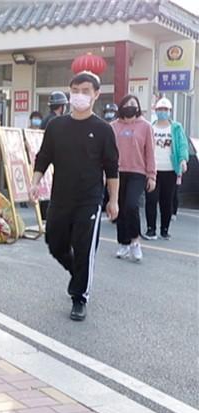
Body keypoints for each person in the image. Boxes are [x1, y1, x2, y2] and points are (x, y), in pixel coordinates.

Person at [30, 71, 119, 322]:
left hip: (89, 199)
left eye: (86, 91)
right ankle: (79, 272)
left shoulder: (103, 130)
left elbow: (112, 169)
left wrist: (113, 200)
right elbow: (44, 157)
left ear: (96, 95)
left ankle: (79, 297)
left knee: (84, 247)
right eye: (76, 90)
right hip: (60, 196)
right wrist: (34, 182)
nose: (80, 95)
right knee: (55, 243)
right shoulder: (56, 126)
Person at [110, 95, 155, 261]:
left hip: (138, 172)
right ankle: (123, 242)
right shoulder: (113, 126)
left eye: (133, 104)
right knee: (120, 208)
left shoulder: (146, 126)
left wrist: (152, 175)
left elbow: (150, 152)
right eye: (127, 104)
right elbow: (107, 151)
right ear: (121, 107)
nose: (130, 106)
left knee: (131, 205)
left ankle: (135, 241)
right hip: (117, 172)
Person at [143, 97, 190, 240]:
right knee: (151, 200)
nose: (162, 112)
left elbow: (182, 145)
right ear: (155, 111)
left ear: (170, 111)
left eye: (165, 109)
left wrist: (183, 160)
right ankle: (151, 230)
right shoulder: (150, 127)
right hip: (152, 171)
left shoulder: (176, 127)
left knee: (166, 201)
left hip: (170, 170)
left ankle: (164, 229)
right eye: (160, 109)